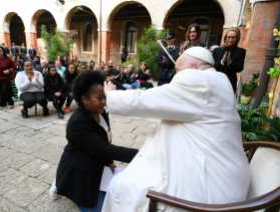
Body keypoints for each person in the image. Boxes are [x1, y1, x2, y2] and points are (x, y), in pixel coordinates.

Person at [102, 47, 250, 212]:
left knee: (124, 186)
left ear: (193, 67)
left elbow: (148, 100)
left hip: (209, 189)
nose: (176, 75)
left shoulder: (198, 79)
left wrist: (110, 95)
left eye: (178, 70)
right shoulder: (221, 80)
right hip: (227, 178)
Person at [50, 70, 138, 212]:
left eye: (105, 96)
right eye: (99, 97)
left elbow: (103, 141)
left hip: (94, 163)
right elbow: (102, 148)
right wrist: (141, 155)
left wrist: (109, 162)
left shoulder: (100, 112)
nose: (104, 101)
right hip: (79, 171)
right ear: (84, 99)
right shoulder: (77, 122)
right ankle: (60, 183)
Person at [213, 27, 246, 93]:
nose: (230, 40)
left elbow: (240, 68)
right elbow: (212, 65)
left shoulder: (241, 51)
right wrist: (221, 62)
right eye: (229, 37)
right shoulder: (217, 50)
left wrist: (230, 63)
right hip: (216, 80)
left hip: (230, 81)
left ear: (237, 38)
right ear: (225, 37)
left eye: (233, 37)